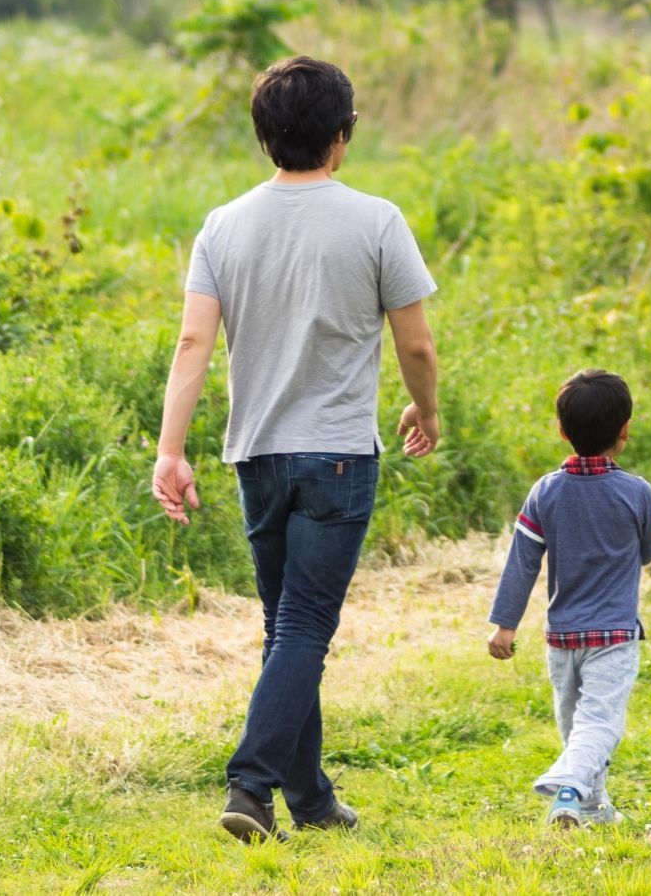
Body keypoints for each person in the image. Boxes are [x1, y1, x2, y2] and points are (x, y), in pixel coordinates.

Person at [150, 55, 441, 843]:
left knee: (288, 630)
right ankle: (251, 786)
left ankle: (311, 800)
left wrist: (169, 452)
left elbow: (191, 344)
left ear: (263, 135)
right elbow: (415, 345)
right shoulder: (376, 220)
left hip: (257, 456)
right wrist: (426, 409)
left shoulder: (224, 225)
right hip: (340, 455)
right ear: (342, 136)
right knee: (305, 627)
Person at [486, 369, 651, 827]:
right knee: (598, 725)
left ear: (562, 431)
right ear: (624, 430)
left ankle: (589, 807)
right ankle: (567, 785)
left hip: (561, 636)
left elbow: (522, 561)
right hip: (614, 634)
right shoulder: (637, 493)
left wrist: (504, 624)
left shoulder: (545, 492)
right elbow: (648, 551)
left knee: (576, 726)